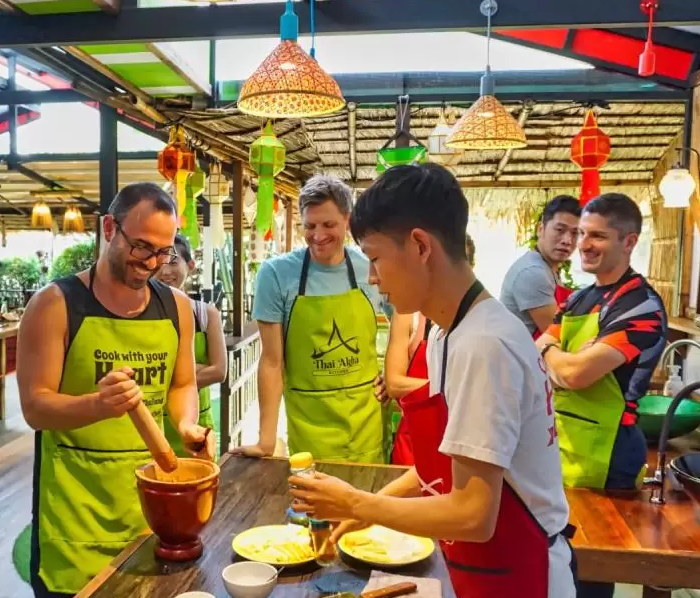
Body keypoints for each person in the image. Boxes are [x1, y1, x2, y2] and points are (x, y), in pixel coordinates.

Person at [290, 164, 576, 598]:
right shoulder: (450, 332)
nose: (372, 277)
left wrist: (358, 503)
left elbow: (473, 512)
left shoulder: (484, 343)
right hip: (486, 583)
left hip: (525, 597)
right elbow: (435, 471)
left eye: (376, 259)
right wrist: (358, 512)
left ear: (420, 245)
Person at [16, 183, 216, 598]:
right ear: (110, 228)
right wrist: (97, 404)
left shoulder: (176, 308)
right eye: (141, 245)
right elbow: (35, 407)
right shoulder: (55, 305)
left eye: (163, 252)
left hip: (151, 520)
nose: (151, 262)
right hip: (74, 521)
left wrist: (185, 426)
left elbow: (182, 383)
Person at [534, 193, 667, 598]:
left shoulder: (643, 307)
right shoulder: (581, 298)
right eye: (580, 234)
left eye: (596, 236)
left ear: (629, 241)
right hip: (561, 440)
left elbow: (574, 372)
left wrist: (556, 350)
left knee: (591, 564)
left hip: (610, 450)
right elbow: (546, 352)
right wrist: (556, 351)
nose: (581, 245)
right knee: (559, 556)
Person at [237, 174, 387, 464]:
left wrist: (393, 374)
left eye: (328, 225)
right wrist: (266, 441)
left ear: (347, 220)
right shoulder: (276, 274)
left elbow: (408, 316)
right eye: (310, 226)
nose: (318, 235)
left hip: (365, 424)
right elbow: (271, 362)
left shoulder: (371, 266)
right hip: (308, 428)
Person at [386, 235, 475, 466]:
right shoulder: (408, 315)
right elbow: (394, 384)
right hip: (412, 441)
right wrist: (456, 390)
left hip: (460, 442)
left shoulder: (479, 325)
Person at [155, 234, 227, 455]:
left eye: (173, 261)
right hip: (153, 425)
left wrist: (164, 378)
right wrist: (192, 371)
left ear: (191, 265)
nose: (165, 271)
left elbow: (219, 371)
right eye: (159, 263)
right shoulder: (139, 317)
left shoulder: (205, 314)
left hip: (196, 424)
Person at [500, 196, 581, 337]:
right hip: (522, 357)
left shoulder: (547, 268)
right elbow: (559, 336)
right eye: (560, 230)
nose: (567, 240)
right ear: (540, 229)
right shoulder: (533, 272)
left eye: (575, 233)